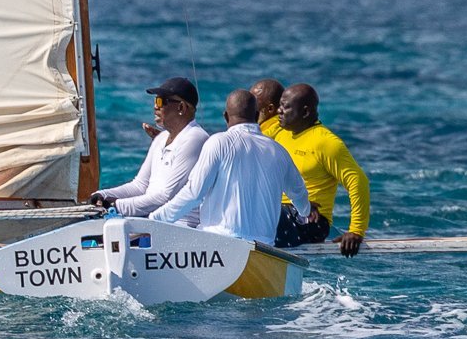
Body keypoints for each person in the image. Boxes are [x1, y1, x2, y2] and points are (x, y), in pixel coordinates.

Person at [150, 89, 310, 245]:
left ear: (226, 116)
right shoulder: (279, 151)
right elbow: (299, 194)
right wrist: (306, 213)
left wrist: (156, 219)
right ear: (256, 116)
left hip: (220, 243)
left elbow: (193, 193)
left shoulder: (218, 142)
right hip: (264, 248)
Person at [270, 82, 370, 256]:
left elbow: (358, 181)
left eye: (285, 107)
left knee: (262, 215)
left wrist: (356, 231)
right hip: (279, 214)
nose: (278, 111)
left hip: (312, 222)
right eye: (279, 106)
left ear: (306, 112)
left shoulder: (326, 143)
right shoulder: (280, 134)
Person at [88, 77, 208, 222]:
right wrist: (102, 195)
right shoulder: (161, 139)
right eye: (155, 101)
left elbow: (165, 196)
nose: (155, 107)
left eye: (161, 101)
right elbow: (140, 185)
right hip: (151, 222)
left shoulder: (195, 138)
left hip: (181, 226)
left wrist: (116, 206)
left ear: (181, 107)